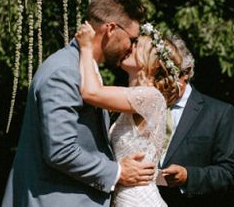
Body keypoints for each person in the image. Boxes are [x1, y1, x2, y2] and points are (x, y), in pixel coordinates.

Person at [1, 0, 157, 207]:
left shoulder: (81, 68)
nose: (132, 47)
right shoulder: (65, 71)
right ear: (111, 29)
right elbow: (60, 150)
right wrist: (118, 172)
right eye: (131, 39)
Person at [75, 19, 183, 207]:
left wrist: (86, 48)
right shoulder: (134, 98)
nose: (128, 46)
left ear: (154, 62)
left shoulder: (151, 97)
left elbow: (91, 92)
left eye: (136, 45)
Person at [157, 35, 234, 206]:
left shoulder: (219, 113)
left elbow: (230, 174)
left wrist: (188, 176)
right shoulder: (142, 106)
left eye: (166, 76)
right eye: (156, 75)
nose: (159, 83)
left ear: (186, 73)